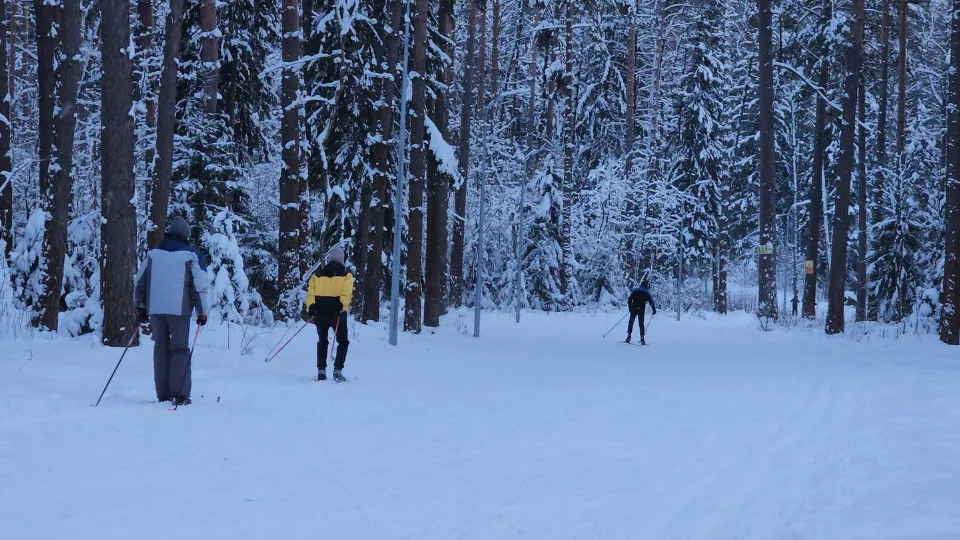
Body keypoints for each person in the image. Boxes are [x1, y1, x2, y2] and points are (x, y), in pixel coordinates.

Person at [134, 216, 209, 405]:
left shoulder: (153, 254)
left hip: (156, 310)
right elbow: (199, 286)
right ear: (186, 235)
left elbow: (140, 282)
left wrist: (140, 307)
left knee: (160, 350)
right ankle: (180, 395)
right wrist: (202, 311)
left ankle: (163, 394)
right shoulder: (191, 255)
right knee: (180, 350)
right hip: (179, 310)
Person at [307, 246, 353, 383]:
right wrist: (341, 305)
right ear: (341, 259)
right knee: (343, 341)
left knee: (322, 341)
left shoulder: (317, 275)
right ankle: (337, 370)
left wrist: (311, 307)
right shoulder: (346, 275)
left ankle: (321, 371)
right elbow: (347, 293)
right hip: (337, 313)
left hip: (320, 312)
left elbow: (311, 293)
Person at [626, 281, 657, 345]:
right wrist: (654, 310)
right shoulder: (647, 293)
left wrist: (630, 308)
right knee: (641, 324)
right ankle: (642, 338)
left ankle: (629, 336)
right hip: (641, 309)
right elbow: (651, 302)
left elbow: (629, 299)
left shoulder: (635, 290)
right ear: (646, 286)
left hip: (634, 308)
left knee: (631, 322)